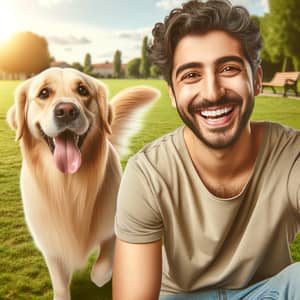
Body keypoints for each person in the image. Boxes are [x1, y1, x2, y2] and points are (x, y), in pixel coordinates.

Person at [112, 0, 300, 299]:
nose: (212, 92)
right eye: (191, 75)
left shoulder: (292, 155)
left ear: (257, 80)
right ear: (173, 94)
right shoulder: (148, 174)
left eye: (228, 68)